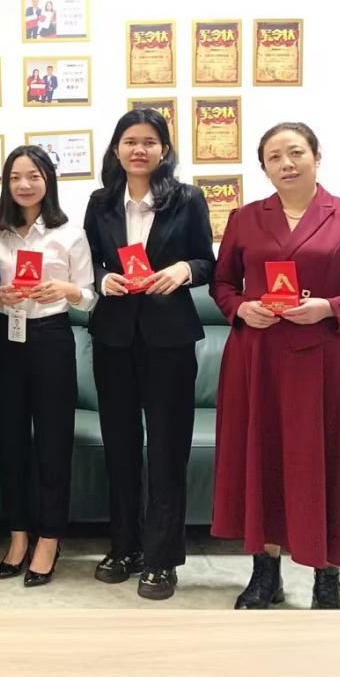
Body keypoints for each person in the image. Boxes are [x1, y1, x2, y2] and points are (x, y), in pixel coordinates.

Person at [211, 123, 340, 611]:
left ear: (317, 156)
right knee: (264, 458)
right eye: (274, 157)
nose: (286, 163)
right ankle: (265, 572)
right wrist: (241, 308)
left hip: (325, 358)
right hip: (259, 359)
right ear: (264, 167)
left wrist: (330, 308)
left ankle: (326, 576)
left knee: (326, 460)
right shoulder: (246, 218)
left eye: (296, 152)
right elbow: (222, 284)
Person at [83, 108, 214, 600]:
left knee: (166, 450)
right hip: (114, 337)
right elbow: (89, 262)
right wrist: (103, 280)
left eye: (149, 142)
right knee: (119, 448)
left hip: (169, 339)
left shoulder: (187, 198)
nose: (139, 149)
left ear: (164, 150)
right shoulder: (100, 202)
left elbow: (208, 262)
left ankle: (162, 559)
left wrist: (184, 270)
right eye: (130, 141)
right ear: (117, 149)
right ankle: (125, 547)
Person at [0, 146, 95, 587]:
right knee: (10, 441)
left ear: (48, 180)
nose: (24, 184)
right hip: (6, 337)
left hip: (51, 338)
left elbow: (90, 297)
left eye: (33, 175)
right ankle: (18, 536)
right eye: (16, 177)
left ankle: (49, 538)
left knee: (53, 442)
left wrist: (65, 290)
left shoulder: (70, 233)